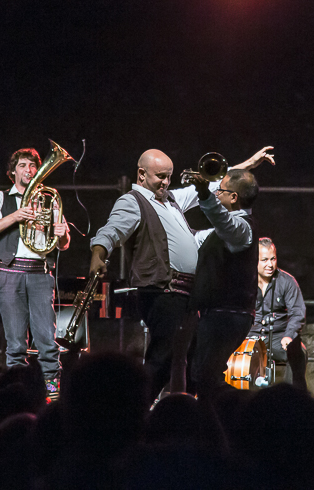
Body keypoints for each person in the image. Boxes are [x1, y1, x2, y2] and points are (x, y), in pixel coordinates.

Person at [89, 147, 273, 399]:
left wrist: (248, 164)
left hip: (185, 296)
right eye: (160, 176)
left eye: (169, 176)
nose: (166, 182)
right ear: (142, 174)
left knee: (190, 366)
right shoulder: (133, 200)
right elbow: (111, 230)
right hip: (164, 289)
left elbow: (214, 183)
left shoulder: (172, 199)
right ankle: (138, 410)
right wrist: (98, 254)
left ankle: (182, 415)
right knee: (164, 359)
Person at [0, 147, 69, 395]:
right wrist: (15, 216)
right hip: (10, 272)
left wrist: (63, 234)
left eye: (32, 166)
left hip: (40, 272)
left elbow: (62, 244)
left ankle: (52, 391)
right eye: (22, 165)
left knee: (47, 342)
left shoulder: (49, 197)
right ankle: (18, 392)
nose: (28, 170)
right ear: (12, 171)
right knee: (16, 343)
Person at [184, 167, 261, 396]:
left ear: (234, 197)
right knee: (199, 373)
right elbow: (192, 237)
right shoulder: (220, 233)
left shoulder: (242, 228)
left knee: (207, 376)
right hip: (218, 314)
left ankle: (240, 409)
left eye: (220, 191)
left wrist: (203, 193)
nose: (216, 193)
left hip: (227, 315)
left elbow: (223, 220)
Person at [249, 237, 307, 391]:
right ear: (255, 260)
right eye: (265, 260)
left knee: (299, 351)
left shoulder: (287, 281)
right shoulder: (244, 280)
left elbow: (297, 312)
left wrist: (289, 335)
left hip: (277, 338)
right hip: (248, 337)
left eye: (273, 259)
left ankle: (293, 397)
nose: (270, 264)